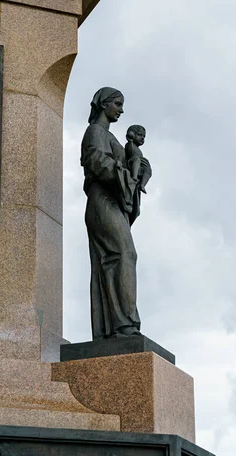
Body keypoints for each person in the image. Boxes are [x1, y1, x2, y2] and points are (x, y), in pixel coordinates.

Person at [81, 87, 141, 340]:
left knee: (120, 257)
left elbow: (116, 165)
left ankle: (120, 325)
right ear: (104, 104)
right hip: (101, 201)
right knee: (123, 254)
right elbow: (97, 161)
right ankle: (124, 324)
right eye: (117, 103)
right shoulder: (95, 131)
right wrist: (126, 174)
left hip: (111, 202)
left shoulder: (111, 136)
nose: (121, 109)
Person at [125, 124, 152, 226]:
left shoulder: (139, 150)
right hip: (132, 165)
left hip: (138, 167)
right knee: (136, 160)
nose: (142, 138)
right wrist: (130, 138)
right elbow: (131, 156)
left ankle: (142, 185)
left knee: (148, 170)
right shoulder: (129, 145)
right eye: (140, 135)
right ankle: (134, 178)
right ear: (132, 134)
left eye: (144, 136)